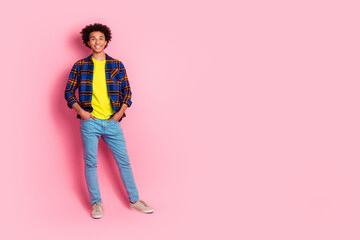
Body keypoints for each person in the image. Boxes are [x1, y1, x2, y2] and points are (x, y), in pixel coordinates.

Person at [64, 23, 154, 219]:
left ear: (106, 41)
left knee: (124, 162)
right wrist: (82, 112)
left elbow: (127, 92)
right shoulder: (80, 66)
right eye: (93, 38)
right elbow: (69, 92)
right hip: (90, 122)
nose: (97, 41)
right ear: (88, 41)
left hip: (112, 122)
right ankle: (96, 203)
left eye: (101, 38)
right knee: (91, 163)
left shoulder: (117, 65)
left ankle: (135, 201)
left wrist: (120, 113)